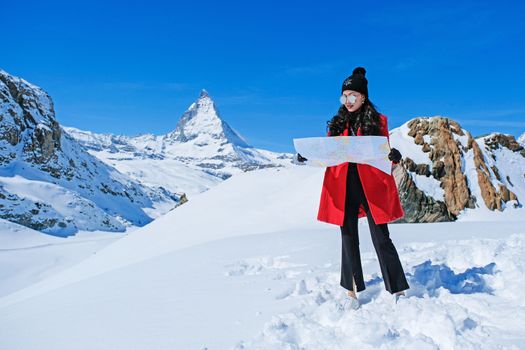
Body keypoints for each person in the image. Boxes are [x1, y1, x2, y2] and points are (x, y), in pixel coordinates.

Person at [297, 67, 409, 310]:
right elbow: (326, 155)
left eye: (352, 96)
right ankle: (351, 291)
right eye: (344, 96)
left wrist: (394, 156)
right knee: (348, 237)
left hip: (371, 187)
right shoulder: (336, 123)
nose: (347, 101)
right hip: (343, 185)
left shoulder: (377, 122)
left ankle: (397, 288)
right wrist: (307, 155)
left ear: (363, 97)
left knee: (381, 238)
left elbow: (384, 155)